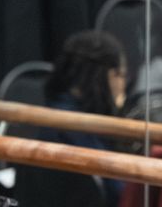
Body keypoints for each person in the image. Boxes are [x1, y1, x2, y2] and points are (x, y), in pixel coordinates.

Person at [41, 30, 129, 206]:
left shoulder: (52, 118)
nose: (123, 84)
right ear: (109, 75)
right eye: (121, 75)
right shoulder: (77, 133)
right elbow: (119, 194)